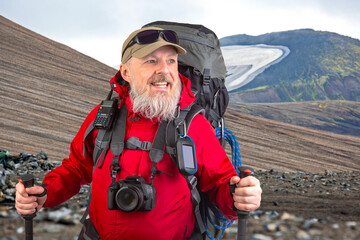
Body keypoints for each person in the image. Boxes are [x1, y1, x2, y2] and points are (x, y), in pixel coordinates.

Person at [15, 26, 262, 239]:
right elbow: (76, 168)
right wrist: (44, 194)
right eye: (151, 61)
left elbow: (221, 185)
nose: (164, 71)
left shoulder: (194, 125)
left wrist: (239, 195)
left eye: (171, 61)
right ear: (125, 73)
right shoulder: (104, 116)